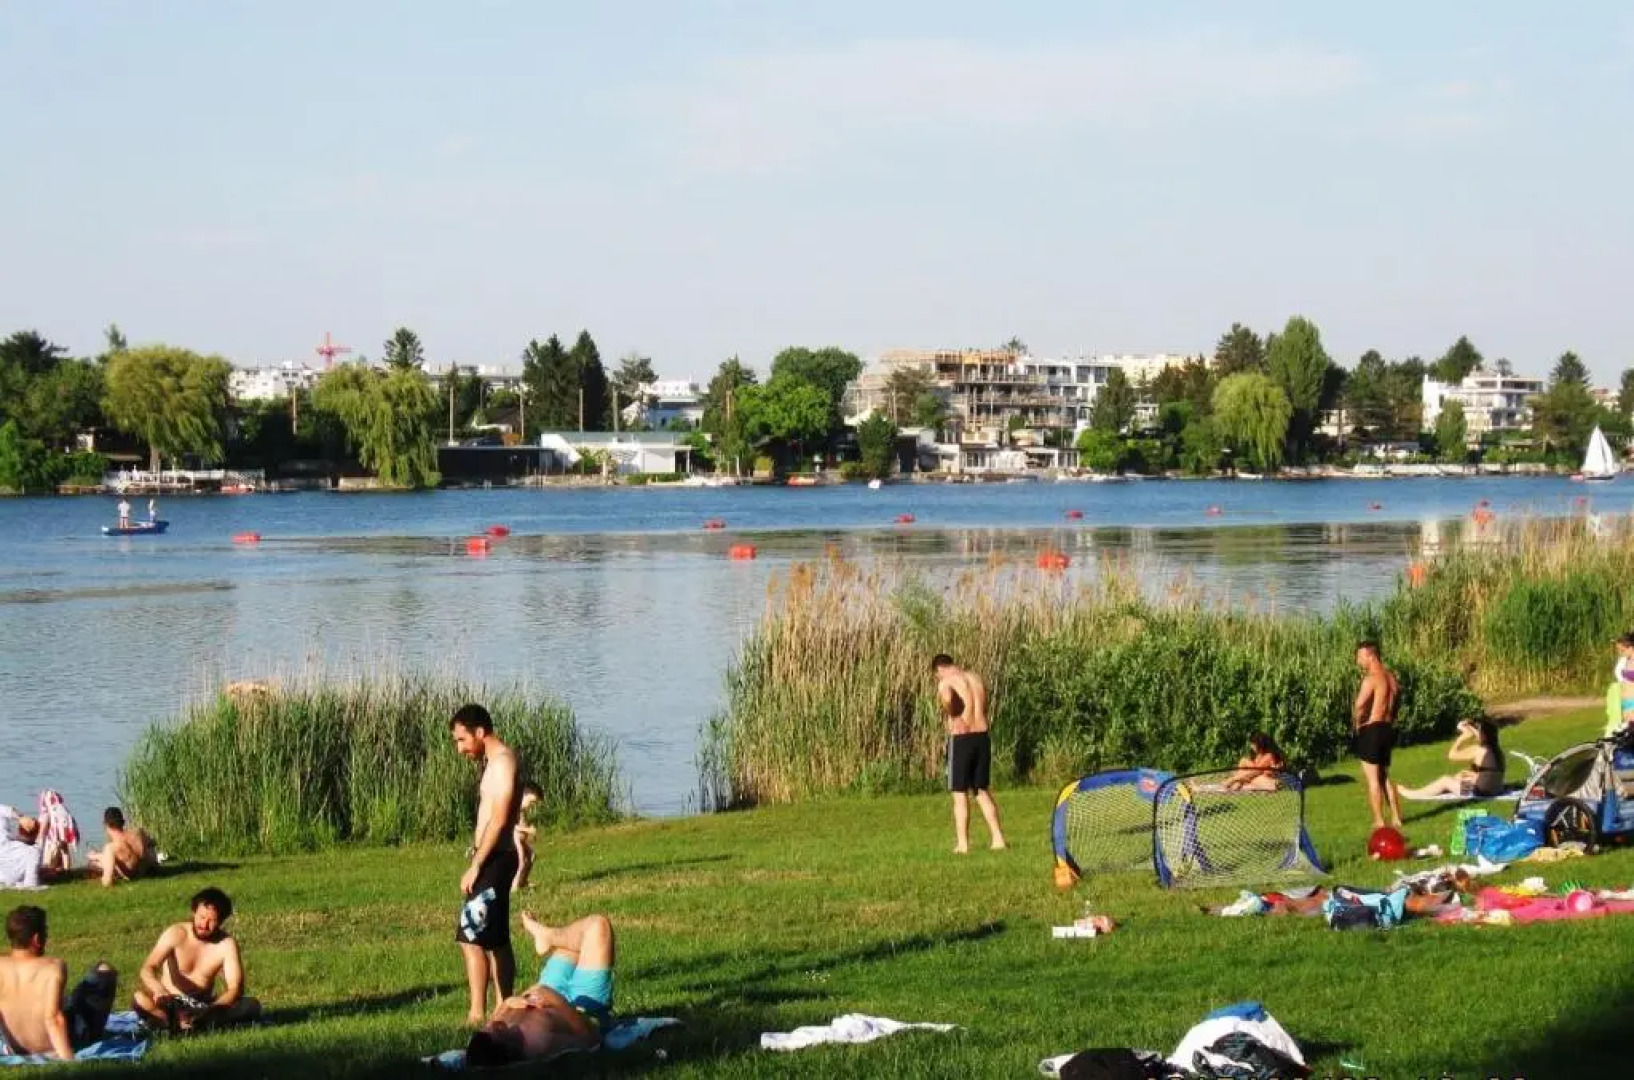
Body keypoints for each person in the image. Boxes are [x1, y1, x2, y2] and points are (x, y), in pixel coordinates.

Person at [464, 912, 616, 1068]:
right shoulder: (538, 1043)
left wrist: (508, 1002)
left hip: (549, 986)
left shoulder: (492, 1034)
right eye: (495, 1031)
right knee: (598, 926)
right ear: (506, 1048)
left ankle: (547, 937)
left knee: (571, 943)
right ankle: (548, 937)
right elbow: (589, 1038)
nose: (493, 1024)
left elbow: (497, 1016)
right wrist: (553, 999)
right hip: (582, 1004)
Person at [450, 703, 522, 1026]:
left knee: (471, 936)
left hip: (494, 860)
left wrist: (477, 864)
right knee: (494, 938)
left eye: (462, 740)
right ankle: (502, 1006)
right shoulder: (494, 762)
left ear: (480, 732)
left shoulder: (503, 763)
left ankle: (478, 1012)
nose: (460, 748)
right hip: (492, 857)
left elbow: (500, 819)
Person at [131, 887, 259, 1033]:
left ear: (221, 921)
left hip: (203, 1007)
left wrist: (213, 1009)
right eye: (202, 917)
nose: (204, 925)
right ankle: (174, 1021)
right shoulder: (176, 933)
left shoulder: (226, 945)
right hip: (170, 1003)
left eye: (212, 921)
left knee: (251, 1005)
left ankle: (187, 1024)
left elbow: (235, 988)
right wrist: (158, 989)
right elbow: (148, 968)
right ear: (194, 912)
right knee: (140, 998)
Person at [0, 906, 118, 1060]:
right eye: (45, 932)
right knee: (104, 971)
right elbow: (53, 1018)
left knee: (66, 1000)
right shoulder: (52, 967)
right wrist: (67, 1058)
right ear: (36, 939)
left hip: (16, 1046)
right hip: (59, 1042)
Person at [932, 654, 1007, 854]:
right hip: (981, 736)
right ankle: (998, 838)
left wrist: (954, 714)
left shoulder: (947, 681)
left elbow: (947, 698)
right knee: (981, 790)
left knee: (959, 793)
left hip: (962, 738)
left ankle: (963, 844)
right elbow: (983, 704)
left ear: (940, 669)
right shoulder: (975, 678)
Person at [1353, 640, 1404, 830]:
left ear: (1371, 656)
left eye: (1360, 657)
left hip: (1372, 729)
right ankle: (1397, 817)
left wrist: (1358, 723)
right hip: (1387, 729)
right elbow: (1396, 703)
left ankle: (1379, 820)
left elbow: (1360, 705)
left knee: (1373, 779)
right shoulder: (1392, 679)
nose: (1358, 661)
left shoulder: (1371, 678)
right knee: (1384, 776)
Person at [1399, 719, 1506, 799]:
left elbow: (1452, 755)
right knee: (1459, 776)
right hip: (1495, 789)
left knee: (1445, 780)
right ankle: (1434, 790)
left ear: (1484, 735)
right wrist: (1470, 729)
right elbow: (1491, 772)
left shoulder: (1479, 750)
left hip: (1479, 792)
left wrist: (1463, 737)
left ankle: (1414, 794)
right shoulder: (1497, 751)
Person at [86, 807, 158, 888]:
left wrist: (103, 878)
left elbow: (107, 882)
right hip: (145, 869)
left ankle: (95, 856)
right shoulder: (139, 832)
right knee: (101, 857)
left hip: (134, 874)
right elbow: (153, 842)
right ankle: (96, 855)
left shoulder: (111, 848)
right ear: (122, 822)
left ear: (106, 824)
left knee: (94, 863)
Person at [512, 783, 542, 894]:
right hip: (515, 838)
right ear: (524, 794)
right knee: (521, 861)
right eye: (531, 802)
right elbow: (512, 826)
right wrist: (528, 830)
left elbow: (523, 823)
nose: (531, 806)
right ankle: (514, 885)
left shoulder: (523, 811)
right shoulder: (515, 808)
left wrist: (530, 832)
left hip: (522, 838)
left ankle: (523, 881)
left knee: (532, 856)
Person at [0, 812, 41, 891]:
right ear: (36, 833)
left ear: (19, 829)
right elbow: (30, 883)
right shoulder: (33, 852)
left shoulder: (4, 843)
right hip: (11, 884)